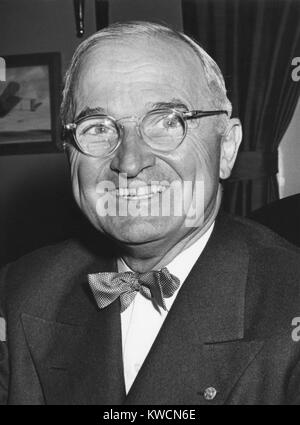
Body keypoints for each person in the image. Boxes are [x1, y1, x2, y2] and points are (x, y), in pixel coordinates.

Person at [1, 21, 300, 405]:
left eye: (166, 122)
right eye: (98, 127)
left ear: (226, 148)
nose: (129, 161)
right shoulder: (21, 291)